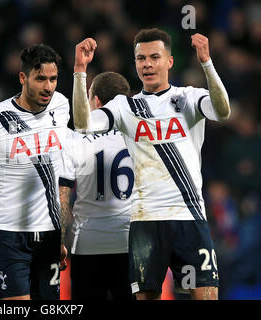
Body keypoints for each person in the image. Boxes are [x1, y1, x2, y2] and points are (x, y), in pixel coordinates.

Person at [72, 28, 231, 300]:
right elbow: (83, 123)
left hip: (189, 217)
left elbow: (223, 110)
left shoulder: (188, 98)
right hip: (146, 220)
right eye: (141, 58)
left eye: (154, 57)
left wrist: (207, 63)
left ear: (169, 62)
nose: (147, 64)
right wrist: (79, 70)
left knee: (206, 296)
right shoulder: (125, 106)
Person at [0, 44, 69, 300]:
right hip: (6, 232)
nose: (48, 87)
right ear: (23, 77)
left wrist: (62, 235)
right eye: (41, 79)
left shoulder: (61, 106)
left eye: (53, 79)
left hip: (48, 231)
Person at [59, 71, 134, 300]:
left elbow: (63, 195)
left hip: (88, 245)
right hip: (131, 242)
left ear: (97, 101)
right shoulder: (139, 136)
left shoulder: (74, 139)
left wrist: (60, 241)